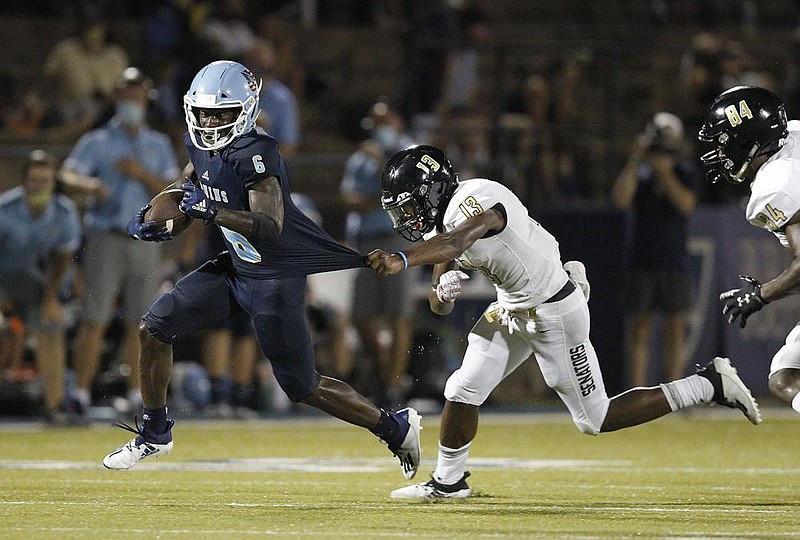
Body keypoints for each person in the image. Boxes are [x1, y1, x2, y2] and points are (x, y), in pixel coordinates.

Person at [366, 144, 761, 499]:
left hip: (552, 311)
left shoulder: (475, 196)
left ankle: (707, 384)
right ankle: (448, 482)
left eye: (411, 205)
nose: (409, 217)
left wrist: (402, 259)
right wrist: (443, 292)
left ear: (434, 189)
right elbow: (440, 304)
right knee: (462, 387)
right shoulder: (440, 228)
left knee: (595, 418)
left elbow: (457, 241)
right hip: (512, 307)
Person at [102, 60, 421, 481]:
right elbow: (188, 188)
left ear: (247, 109)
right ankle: (155, 431)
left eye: (222, 113)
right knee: (154, 327)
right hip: (237, 270)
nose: (211, 123)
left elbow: (271, 226)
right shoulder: (198, 144)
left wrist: (212, 211)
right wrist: (162, 220)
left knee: (302, 385)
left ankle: (395, 426)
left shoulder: (257, 150)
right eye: (205, 113)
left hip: (275, 277)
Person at [59, 67, 180, 416]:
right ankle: (80, 391)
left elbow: (173, 192)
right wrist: (91, 186)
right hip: (105, 236)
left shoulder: (157, 143)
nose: (131, 101)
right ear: (117, 98)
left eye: (137, 95)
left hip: (145, 239)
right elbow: (68, 174)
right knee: (93, 317)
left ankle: (135, 393)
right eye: (126, 95)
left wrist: (140, 174)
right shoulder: (98, 140)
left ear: (146, 99)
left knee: (140, 322)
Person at [698, 85, 800, 415]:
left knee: (787, 377)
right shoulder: (793, 135)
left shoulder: (776, 184)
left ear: (748, 139)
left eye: (725, 142)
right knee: (787, 373)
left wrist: (760, 295)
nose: (720, 152)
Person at [339, 100, 418, 408]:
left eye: (384, 122)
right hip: (365, 242)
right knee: (361, 316)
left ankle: (393, 387)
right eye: (375, 124)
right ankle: (388, 372)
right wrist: (377, 198)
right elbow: (348, 197)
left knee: (398, 314)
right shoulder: (361, 158)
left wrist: (385, 161)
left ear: (397, 122)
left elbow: (409, 188)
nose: (379, 130)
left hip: (398, 238)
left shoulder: (409, 152)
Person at [612, 112, 698, 386]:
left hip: (674, 262)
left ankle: (672, 392)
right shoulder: (641, 173)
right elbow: (621, 200)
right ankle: (637, 392)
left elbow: (686, 205)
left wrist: (664, 171)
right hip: (642, 261)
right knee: (640, 330)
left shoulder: (684, 171)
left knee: (674, 331)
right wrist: (636, 160)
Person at [0, 150, 83, 425]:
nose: (40, 186)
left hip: (37, 285)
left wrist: (50, 300)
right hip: (4, 279)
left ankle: (54, 406)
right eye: (35, 180)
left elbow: (62, 261)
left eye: (45, 180)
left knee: (51, 325)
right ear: (24, 182)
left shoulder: (64, 212)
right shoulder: (4, 209)